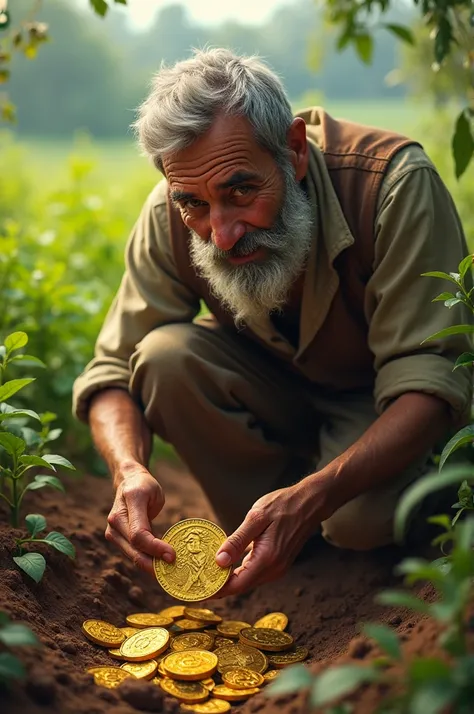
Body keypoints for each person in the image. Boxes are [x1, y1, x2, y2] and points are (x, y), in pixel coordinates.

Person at [73, 48, 472, 597]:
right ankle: (275, 539)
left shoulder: (393, 187)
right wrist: (128, 470)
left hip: (377, 400)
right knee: (164, 358)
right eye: (192, 202)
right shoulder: (172, 209)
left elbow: (430, 382)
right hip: (269, 388)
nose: (221, 232)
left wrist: (319, 493)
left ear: (294, 151)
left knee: (357, 523)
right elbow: (112, 372)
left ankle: (327, 520)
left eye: (240, 191)